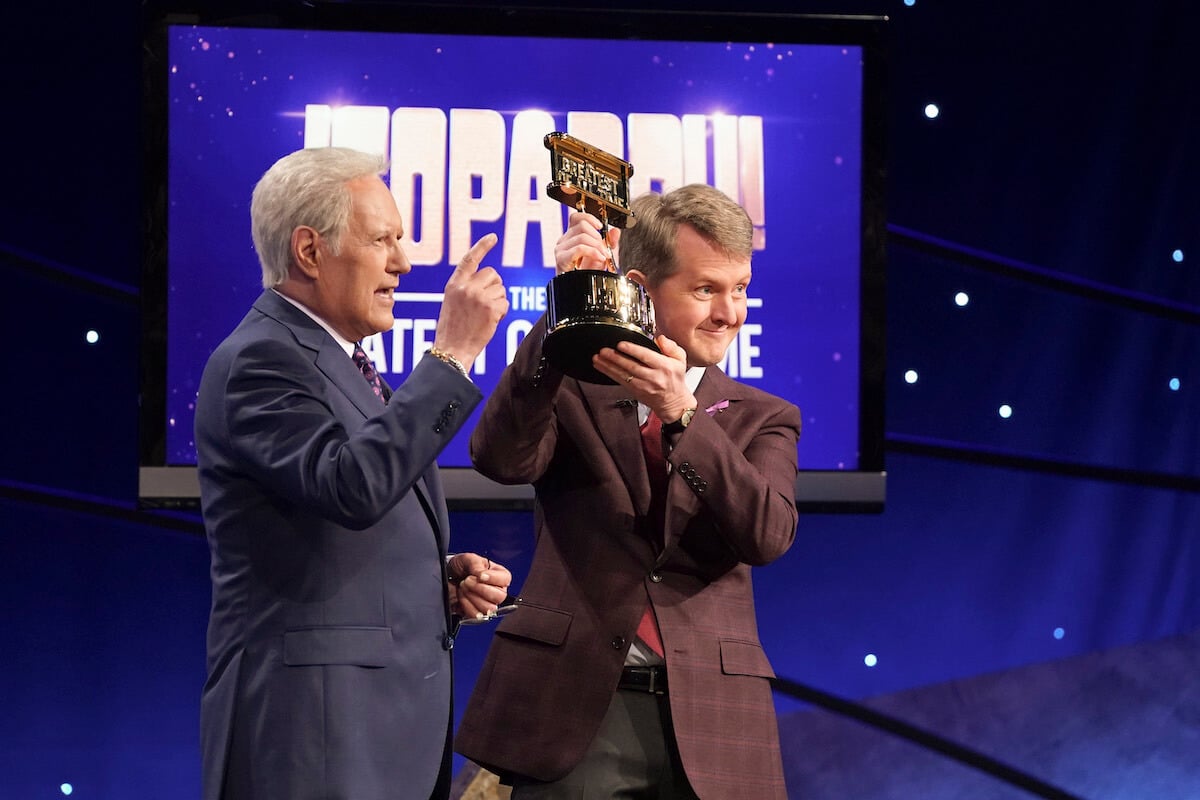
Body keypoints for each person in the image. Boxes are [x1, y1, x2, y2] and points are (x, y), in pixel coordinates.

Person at [455, 183, 801, 798]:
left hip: (716, 721)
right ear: (641, 288)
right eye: (706, 290)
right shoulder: (570, 386)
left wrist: (683, 415)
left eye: (740, 288)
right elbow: (499, 458)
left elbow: (767, 534)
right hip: (575, 710)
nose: (731, 313)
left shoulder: (763, 416)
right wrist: (565, 312)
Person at [195, 146, 512, 800]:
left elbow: (340, 511)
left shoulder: (343, 365)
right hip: (313, 736)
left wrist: (432, 581)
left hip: (373, 733)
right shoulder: (261, 360)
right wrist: (451, 355)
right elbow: (350, 484)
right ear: (310, 251)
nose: (404, 261)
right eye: (383, 240)